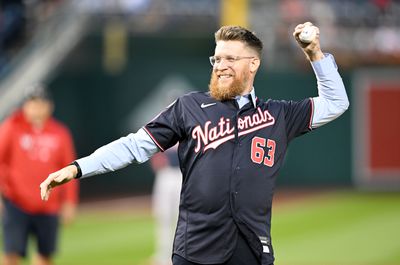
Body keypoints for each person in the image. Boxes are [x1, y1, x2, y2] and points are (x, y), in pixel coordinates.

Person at [40, 22, 349, 265]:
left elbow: (336, 103)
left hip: (252, 249)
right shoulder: (189, 107)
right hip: (196, 249)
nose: (221, 65)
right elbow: (134, 146)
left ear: (253, 64)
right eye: (217, 58)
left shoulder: (279, 114)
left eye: (231, 58)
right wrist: (79, 167)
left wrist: (315, 54)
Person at [0, 85, 79, 265]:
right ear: (25, 106)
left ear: (49, 106)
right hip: (16, 202)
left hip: (49, 204)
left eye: (42, 103)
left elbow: (69, 168)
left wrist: (69, 201)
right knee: (11, 253)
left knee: (45, 255)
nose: (37, 108)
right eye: (33, 103)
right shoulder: (12, 127)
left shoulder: (60, 132)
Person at [150, 145, 181, 265]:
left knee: (181, 218)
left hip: (181, 173)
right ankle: (162, 255)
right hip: (165, 173)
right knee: (163, 217)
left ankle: (179, 255)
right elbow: (154, 148)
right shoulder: (164, 126)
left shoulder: (190, 126)